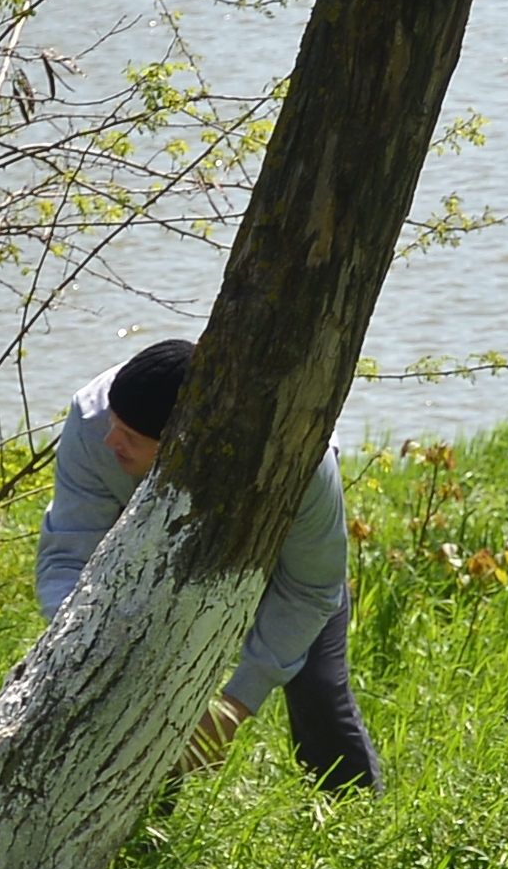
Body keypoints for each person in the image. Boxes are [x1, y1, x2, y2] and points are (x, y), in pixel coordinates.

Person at [36, 337, 379, 790]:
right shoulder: (94, 421)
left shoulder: (300, 459)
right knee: (146, 680)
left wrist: (235, 704)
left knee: (317, 689)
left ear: (186, 445)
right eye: (114, 425)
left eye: (132, 438)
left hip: (274, 553)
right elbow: (67, 555)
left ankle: (351, 818)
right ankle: (144, 822)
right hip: (152, 556)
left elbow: (312, 589)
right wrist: (93, 643)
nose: (109, 441)